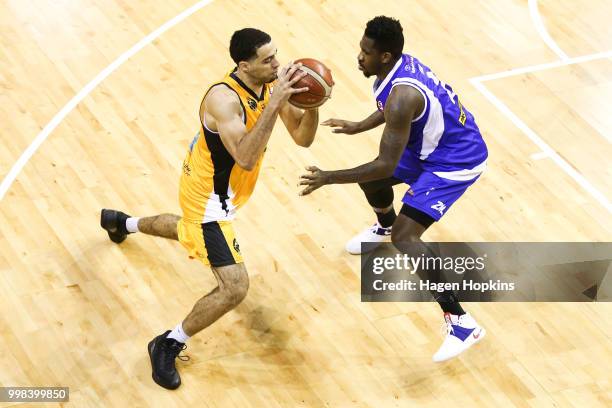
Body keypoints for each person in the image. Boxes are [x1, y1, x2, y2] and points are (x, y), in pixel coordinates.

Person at [100, 28, 320, 389]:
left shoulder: (268, 84)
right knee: (234, 287)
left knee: (188, 231)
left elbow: (302, 136)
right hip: (209, 197)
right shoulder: (223, 100)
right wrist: (278, 102)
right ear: (244, 65)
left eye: (276, 55)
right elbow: (246, 158)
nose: (278, 64)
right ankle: (168, 342)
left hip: (223, 188)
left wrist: (311, 106)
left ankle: (124, 223)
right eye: (268, 60)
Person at [299, 16, 487, 362]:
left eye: (366, 52)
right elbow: (390, 111)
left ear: (385, 56)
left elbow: (386, 159)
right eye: (361, 48)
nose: (359, 57)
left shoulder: (402, 94)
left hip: (455, 161)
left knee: (406, 236)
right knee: (372, 180)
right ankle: (383, 224)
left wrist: (328, 177)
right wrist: (359, 126)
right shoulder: (395, 71)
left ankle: (461, 322)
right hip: (432, 145)